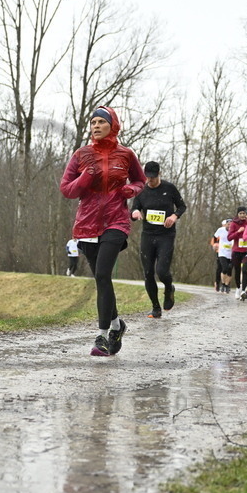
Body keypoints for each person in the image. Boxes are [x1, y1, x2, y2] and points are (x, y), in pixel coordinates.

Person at [60, 105, 145, 357]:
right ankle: (118, 326)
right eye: (93, 122)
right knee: (101, 278)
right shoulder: (81, 154)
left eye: (101, 122)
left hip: (116, 221)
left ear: (113, 125)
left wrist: (132, 190)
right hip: (87, 224)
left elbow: (139, 180)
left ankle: (102, 336)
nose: (96, 126)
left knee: (103, 272)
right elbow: (67, 189)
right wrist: (86, 177)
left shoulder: (126, 155)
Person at [130, 160, 186, 318]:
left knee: (161, 271)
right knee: (148, 273)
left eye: (153, 178)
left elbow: (182, 206)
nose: (150, 181)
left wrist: (175, 216)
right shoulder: (142, 190)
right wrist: (134, 213)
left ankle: (169, 288)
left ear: (159, 175)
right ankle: (155, 307)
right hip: (148, 235)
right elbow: (134, 208)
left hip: (166, 235)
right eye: (147, 177)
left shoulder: (169, 188)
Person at [227, 206, 247, 300]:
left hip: (246, 251)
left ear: (246, 214)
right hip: (236, 250)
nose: (242, 215)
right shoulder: (233, 224)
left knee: (245, 270)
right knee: (237, 271)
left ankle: (244, 290)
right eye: (240, 213)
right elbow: (229, 237)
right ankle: (238, 288)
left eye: (244, 213)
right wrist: (238, 232)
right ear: (237, 214)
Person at [213, 219, 233, 294]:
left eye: (231, 225)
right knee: (224, 268)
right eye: (228, 224)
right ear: (226, 225)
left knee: (230, 269)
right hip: (222, 252)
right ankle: (223, 284)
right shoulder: (221, 230)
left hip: (231, 253)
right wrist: (215, 244)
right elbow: (215, 236)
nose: (230, 226)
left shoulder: (235, 231)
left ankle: (227, 285)